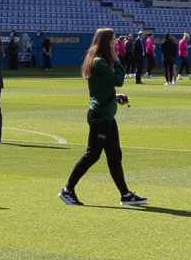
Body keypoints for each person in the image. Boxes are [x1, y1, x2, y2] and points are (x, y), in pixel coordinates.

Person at [59, 28, 146, 208]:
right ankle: (67, 190)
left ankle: (126, 194)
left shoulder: (99, 61)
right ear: (106, 41)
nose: (116, 42)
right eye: (113, 39)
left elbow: (100, 89)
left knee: (115, 155)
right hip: (100, 116)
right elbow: (118, 80)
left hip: (105, 114)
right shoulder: (99, 62)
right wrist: (118, 61)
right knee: (92, 154)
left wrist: (114, 97)